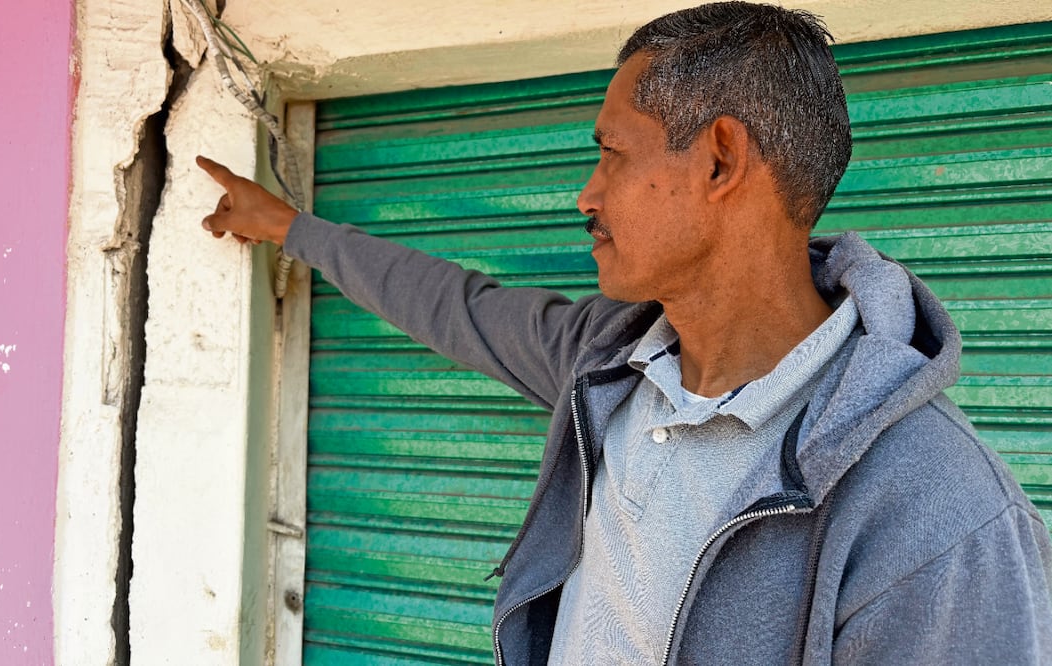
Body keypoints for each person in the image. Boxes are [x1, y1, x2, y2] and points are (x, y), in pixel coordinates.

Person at [197, 2, 1052, 663]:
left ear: (719, 159)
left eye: (611, 153)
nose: (585, 194)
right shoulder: (607, 361)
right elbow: (454, 305)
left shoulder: (941, 515)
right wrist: (290, 229)